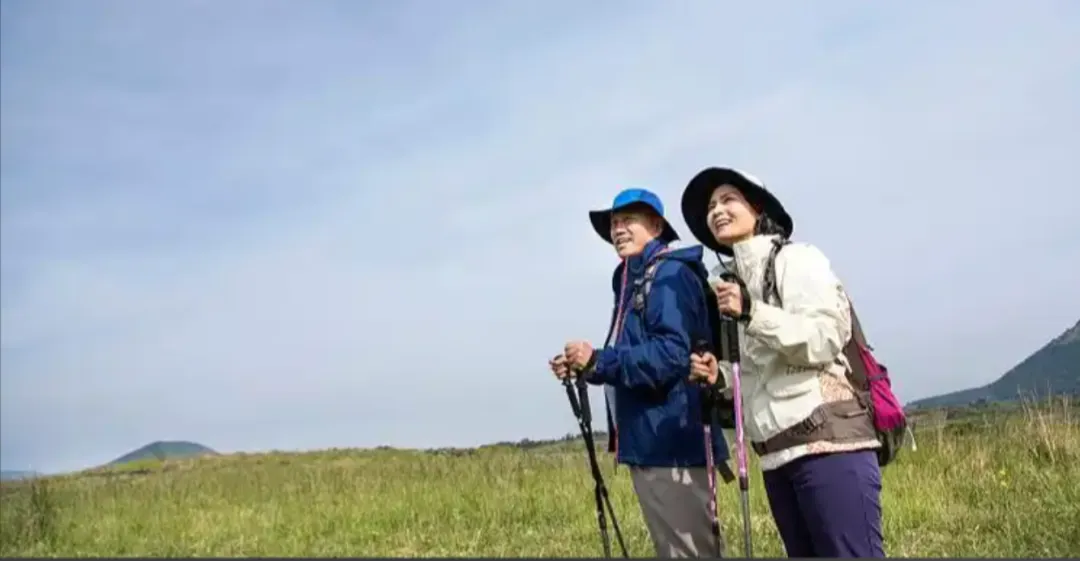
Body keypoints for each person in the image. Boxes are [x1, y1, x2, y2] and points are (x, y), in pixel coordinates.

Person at [679, 167, 885, 558]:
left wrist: (752, 313)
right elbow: (758, 373)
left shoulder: (797, 258)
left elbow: (825, 337)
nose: (716, 211)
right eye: (711, 206)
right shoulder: (732, 284)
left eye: (728, 199)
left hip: (830, 445)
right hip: (776, 456)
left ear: (758, 208)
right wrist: (719, 376)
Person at [549, 187, 733, 558]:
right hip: (651, 440)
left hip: (673, 442)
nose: (618, 229)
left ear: (656, 225)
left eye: (628, 220)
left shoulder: (669, 274)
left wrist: (600, 361)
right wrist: (587, 367)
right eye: (614, 223)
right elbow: (635, 353)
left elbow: (672, 356)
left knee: (689, 553)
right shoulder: (631, 278)